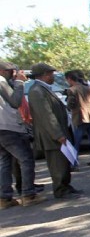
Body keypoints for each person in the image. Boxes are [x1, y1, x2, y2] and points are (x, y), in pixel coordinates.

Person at [28, 63, 82, 199]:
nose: (53, 76)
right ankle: (60, 190)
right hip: (51, 136)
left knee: (64, 162)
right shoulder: (37, 91)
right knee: (57, 164)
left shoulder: (44, 89)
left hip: (58, 132)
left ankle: (66, 186)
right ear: (45, 74)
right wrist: (58, 134)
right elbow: (46, 116)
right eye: (51, 74)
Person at [0, 60, 45, 208]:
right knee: (26, 159)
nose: (13, 75)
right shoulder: (1, 81)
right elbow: (15, 101)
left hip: (2, 129)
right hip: (8, 128)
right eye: (12, 72)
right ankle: (28, 194)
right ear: (3, 71)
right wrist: (19, 83)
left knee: (4, 162)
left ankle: (5, 198)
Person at [64, 70, 90, 169]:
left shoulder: (72, 90)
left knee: (76, 141)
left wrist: (68, 105)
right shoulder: (89, 88)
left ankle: (74, 163)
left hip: (81, 117)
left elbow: (71, 104)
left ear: (69, 79)